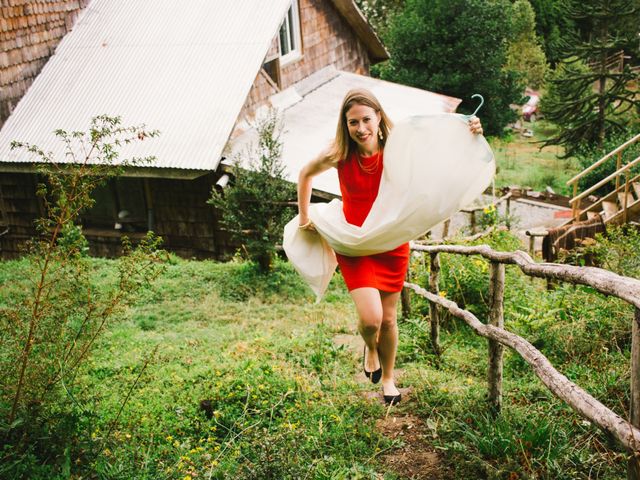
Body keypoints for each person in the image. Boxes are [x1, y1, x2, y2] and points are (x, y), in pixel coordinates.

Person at [297, 89, 483, 405]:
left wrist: (467, 130)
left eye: (366, 119)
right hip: (355, 242)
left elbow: (436, 151)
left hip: (391, 242)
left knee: (388, 319)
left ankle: (388, 379)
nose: (360, 128)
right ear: (345, 124)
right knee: (371, 320)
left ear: (379, 117)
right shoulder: (339, 154)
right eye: (353, 122)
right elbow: (305, 175)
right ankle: (370, 347)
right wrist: (304, 217)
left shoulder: (397, 149)